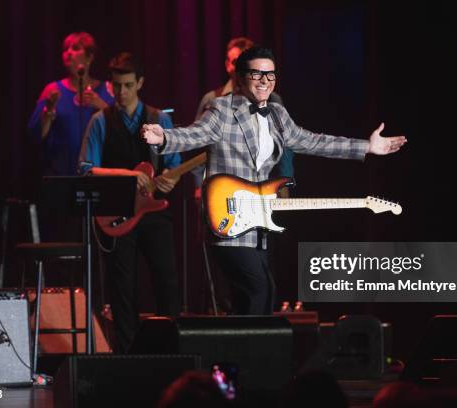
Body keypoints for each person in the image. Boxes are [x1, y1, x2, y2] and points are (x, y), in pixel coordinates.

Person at [143, 46, 406, 315]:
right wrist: (164, 138)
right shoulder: (222, 108)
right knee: (259, 289)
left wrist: (366, 146)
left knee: (260, 298)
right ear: (241, 78)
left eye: (270, 75)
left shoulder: (278, 115)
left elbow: (313, 141)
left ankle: (240, 356)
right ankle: (246, 356)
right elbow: (195, 134)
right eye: (257, 74)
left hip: (257, 223)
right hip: (227, 218)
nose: (265, 81)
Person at [78, 52, 182, 352]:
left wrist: (170, 178)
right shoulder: (100, 120)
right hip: (116, 215)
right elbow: (86, 167)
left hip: (152, 211)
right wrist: (126, 175)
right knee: (122, 291)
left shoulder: (159, 119)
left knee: (167, 283)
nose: (120, 93)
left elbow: (173, 163)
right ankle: (126, 356)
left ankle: (170, 353)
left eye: (127, 85)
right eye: (116, 86)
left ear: (140, 83)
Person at [193, 37, 294, 200]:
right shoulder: (212, 100)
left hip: (262, 188)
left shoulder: (273, 100)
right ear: (227, 65)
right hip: (221, 192)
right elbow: (198, 148)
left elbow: (284, 145)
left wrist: (284, 182)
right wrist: (199, 186)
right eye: (234, 62)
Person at [28, 32, 114, 176]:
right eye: (66, 49)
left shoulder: (107, 89)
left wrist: (101, 105)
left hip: (98, 173)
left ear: (89, 57)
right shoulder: (52, 90)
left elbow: (123, 130)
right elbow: (37, 136)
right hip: (60, 174)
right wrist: (48, 110)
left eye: (75, 48)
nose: (68, 52)